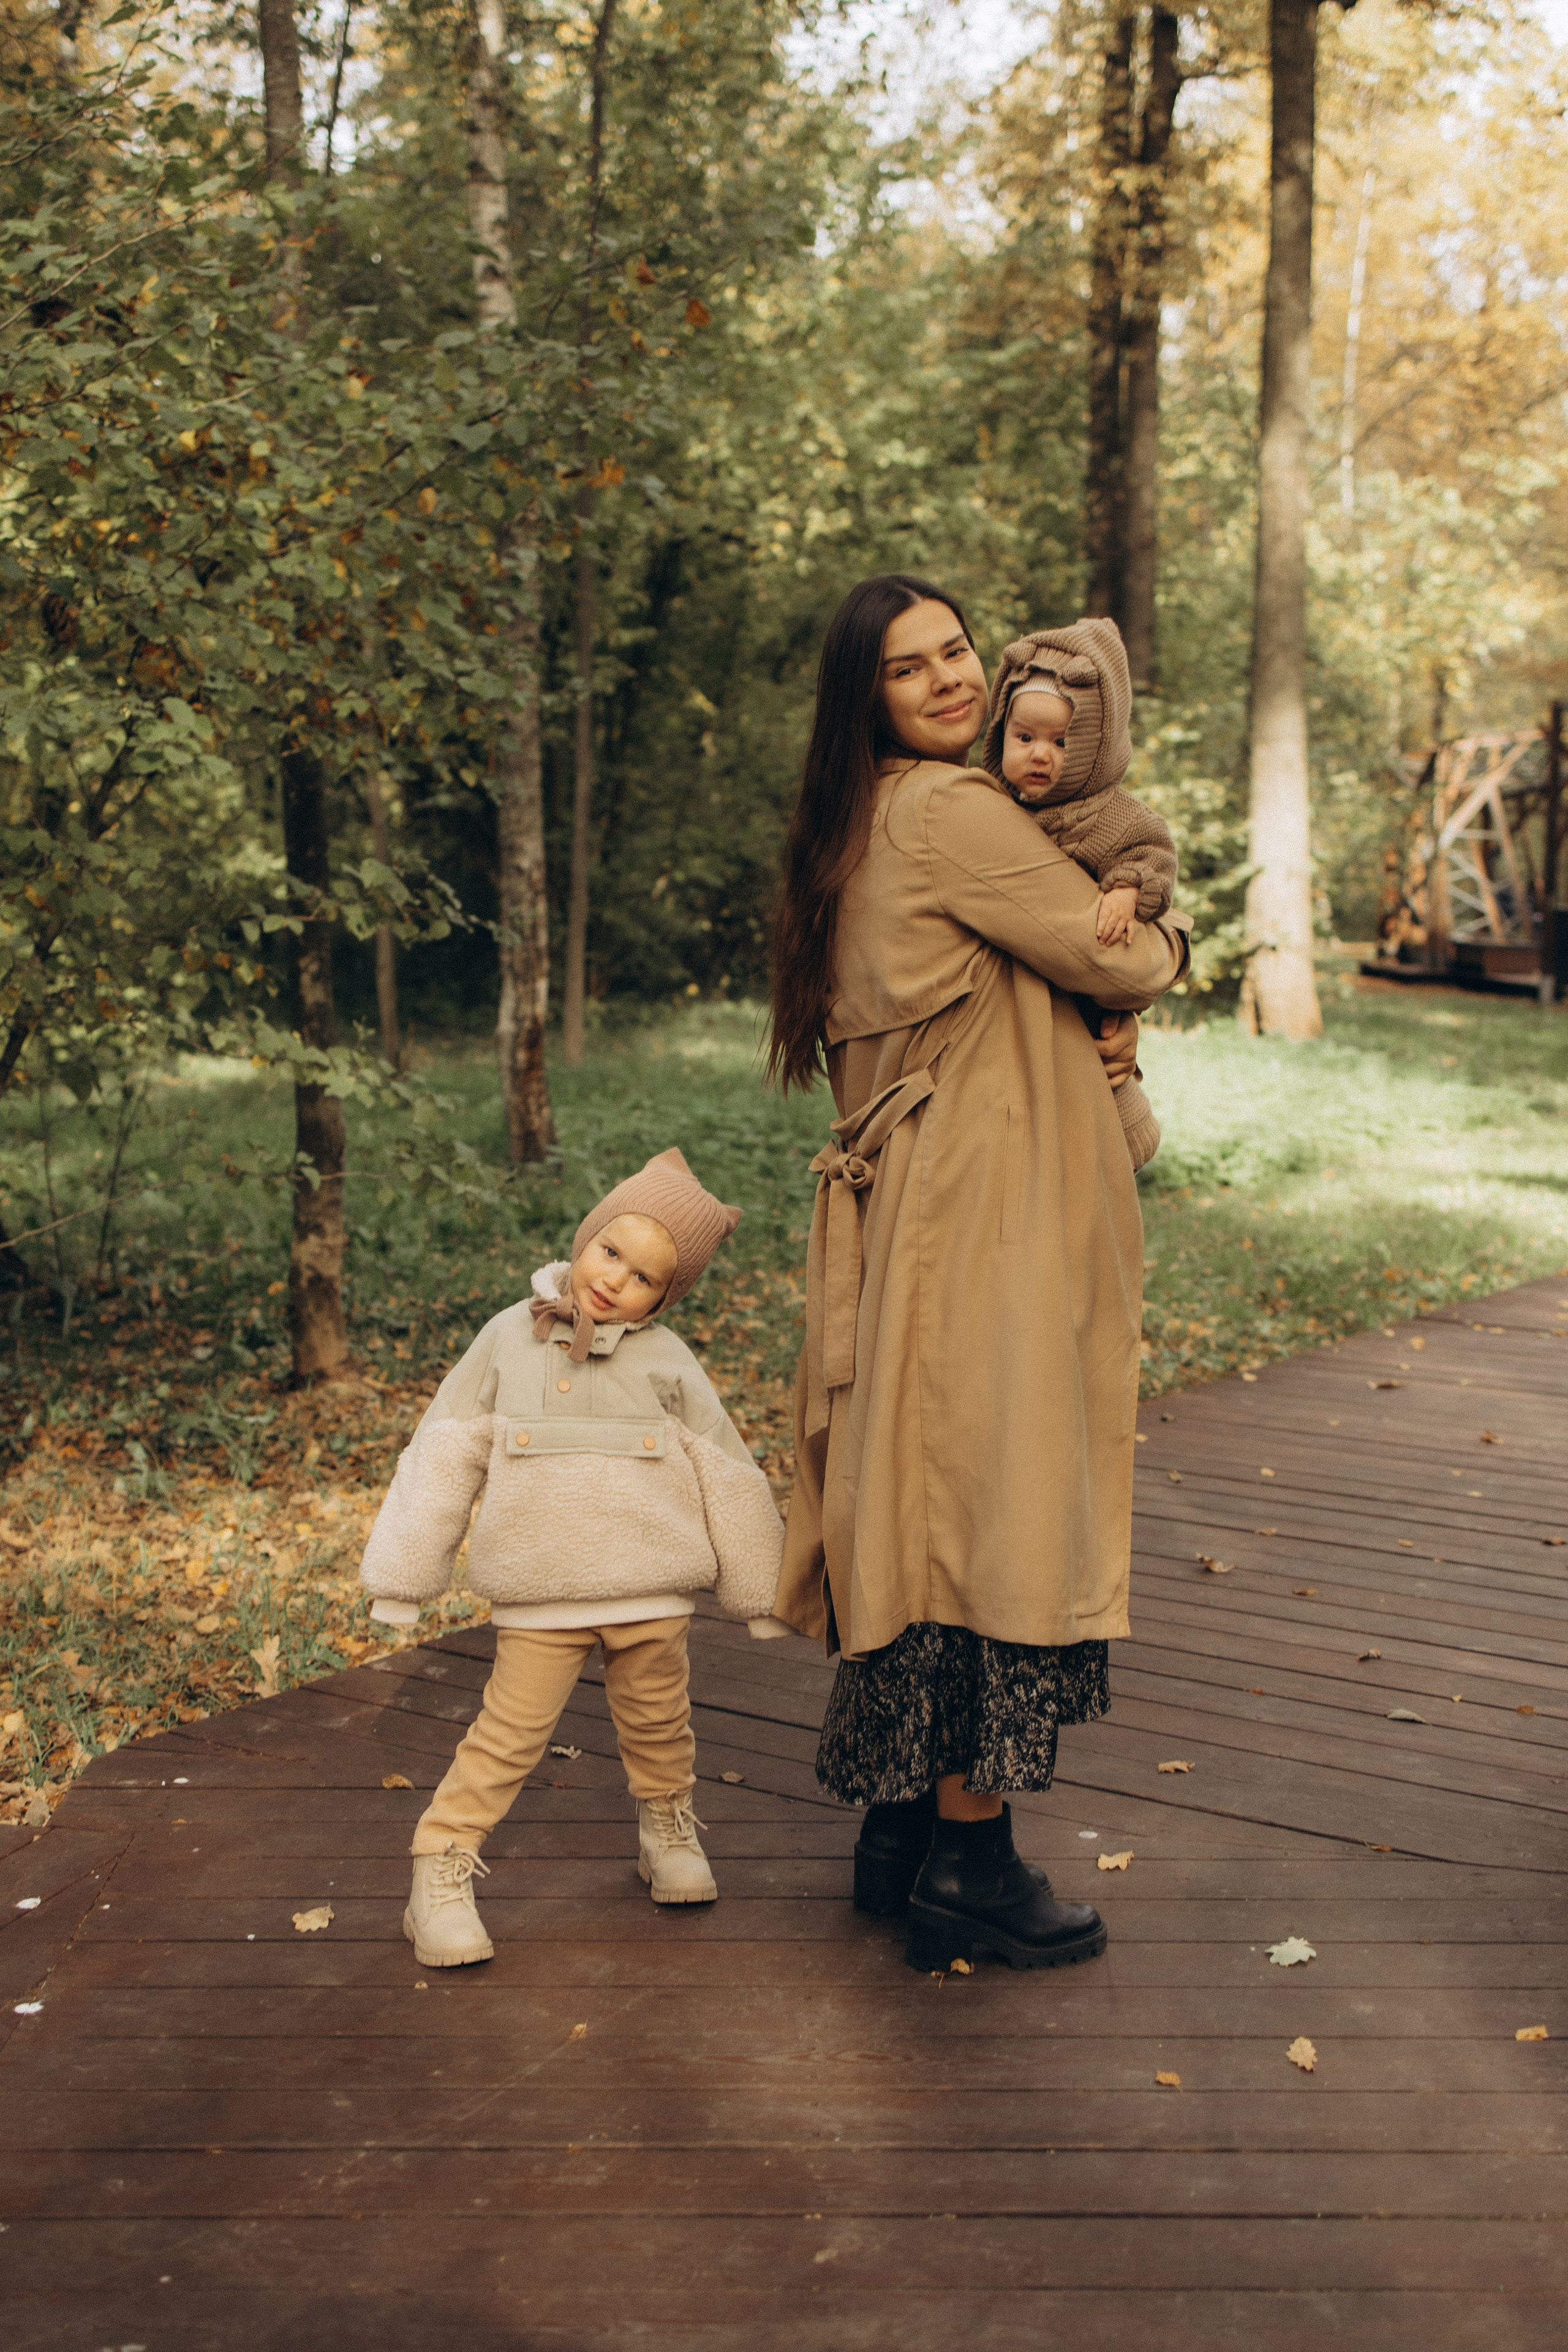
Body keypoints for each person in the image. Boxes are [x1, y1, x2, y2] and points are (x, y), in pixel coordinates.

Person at [768, 574, 1190, 1975]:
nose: (950, 678)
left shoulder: (861, 820)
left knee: (918, 1504)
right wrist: (1165, 945)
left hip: (924, 1219)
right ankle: (970, 1857)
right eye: (910, 667)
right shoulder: (952, 811)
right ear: (867, 698)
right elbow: (1110, 954)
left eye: (956, 650)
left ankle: (897, 1835)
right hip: (983, 1224)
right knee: (985, 1516)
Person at [359, 1148, 787, 1968]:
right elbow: (445, 1450)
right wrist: (405, 1576)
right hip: (541, 1589)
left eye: (645, 1276)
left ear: (667, 1295)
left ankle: (666, 1829)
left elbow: (725, 1466)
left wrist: (758, 1590)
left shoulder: (667, 1360)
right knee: (508, 1736)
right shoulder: (507, 1339)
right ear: (586, 1237)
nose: (615, 1279)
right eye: (610, 1250)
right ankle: (440, 1865)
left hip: (651, 1588)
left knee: (660, 1723)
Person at [987, 618, 1177, 1172]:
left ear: (1096, 746)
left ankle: (1121, 1137)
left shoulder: (1109, 812)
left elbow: (1154, 853)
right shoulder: (989, 804)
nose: (1040, 755)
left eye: (1062, 742)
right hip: (1017, 995)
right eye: (1025, 738)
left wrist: (1128, 889)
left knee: (1099, 1061)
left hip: (1089, 975)